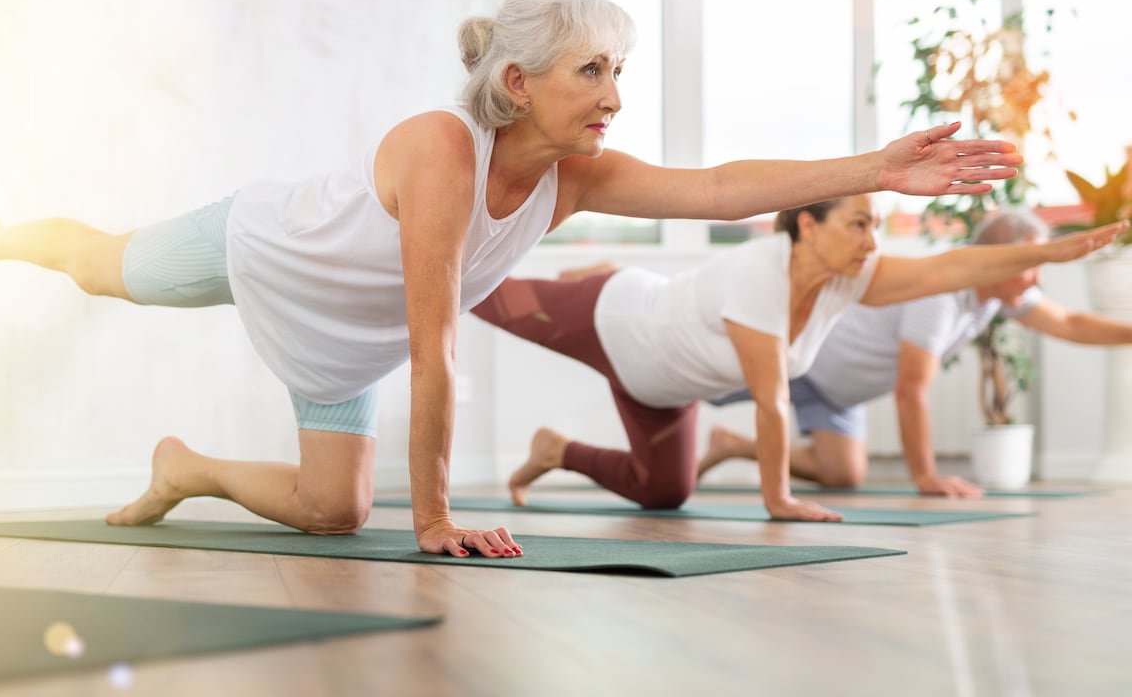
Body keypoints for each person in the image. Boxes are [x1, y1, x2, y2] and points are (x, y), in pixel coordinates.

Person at [0, 0, 1027, 554]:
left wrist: (878, 165)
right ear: (520, 82)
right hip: (268, 247)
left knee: (333, 512)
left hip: (342, 344)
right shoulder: (443, 150)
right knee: (104, 269)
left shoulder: (576, 176)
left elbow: (723, 186)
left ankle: (183, 467)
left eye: (619, 70)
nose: (614, 94)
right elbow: (435, 337)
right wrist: (436, 514)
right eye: (592, 71)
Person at [472, 196, 1124, 521]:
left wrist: (1048, 254)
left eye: (875, 226)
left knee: (664, 492)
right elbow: (770, 399)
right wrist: (778, 499)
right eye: (859, 225)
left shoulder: (850, 279)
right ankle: (606, 273)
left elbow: (949, 266)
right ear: (809, 225)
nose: (871, 241)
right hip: (614, 320)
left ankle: (555, 450)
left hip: (660, 387)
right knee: (478, 294)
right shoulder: (762, 271)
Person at [699, 208, 1132, 498]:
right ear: (998, 260)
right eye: (1032, 264)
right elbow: (911, 390)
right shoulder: (940, 295)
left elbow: (1069, 322)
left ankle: (731, 444)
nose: (1038, 278)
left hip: (840, 393)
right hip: (805, 359)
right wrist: (926, 476)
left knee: (843, 474)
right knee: (693, 386)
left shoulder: (998, 295)